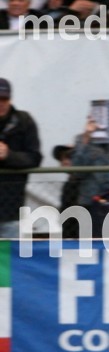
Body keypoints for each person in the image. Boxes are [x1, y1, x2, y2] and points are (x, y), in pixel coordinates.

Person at [0, 77, 41, 238]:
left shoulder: (24, 121)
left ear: (10, 98)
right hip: (12, 208)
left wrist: (8, 155)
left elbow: (34, 158)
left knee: (10, 252)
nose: (1, 103)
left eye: (4, 99)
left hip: (11, 208)